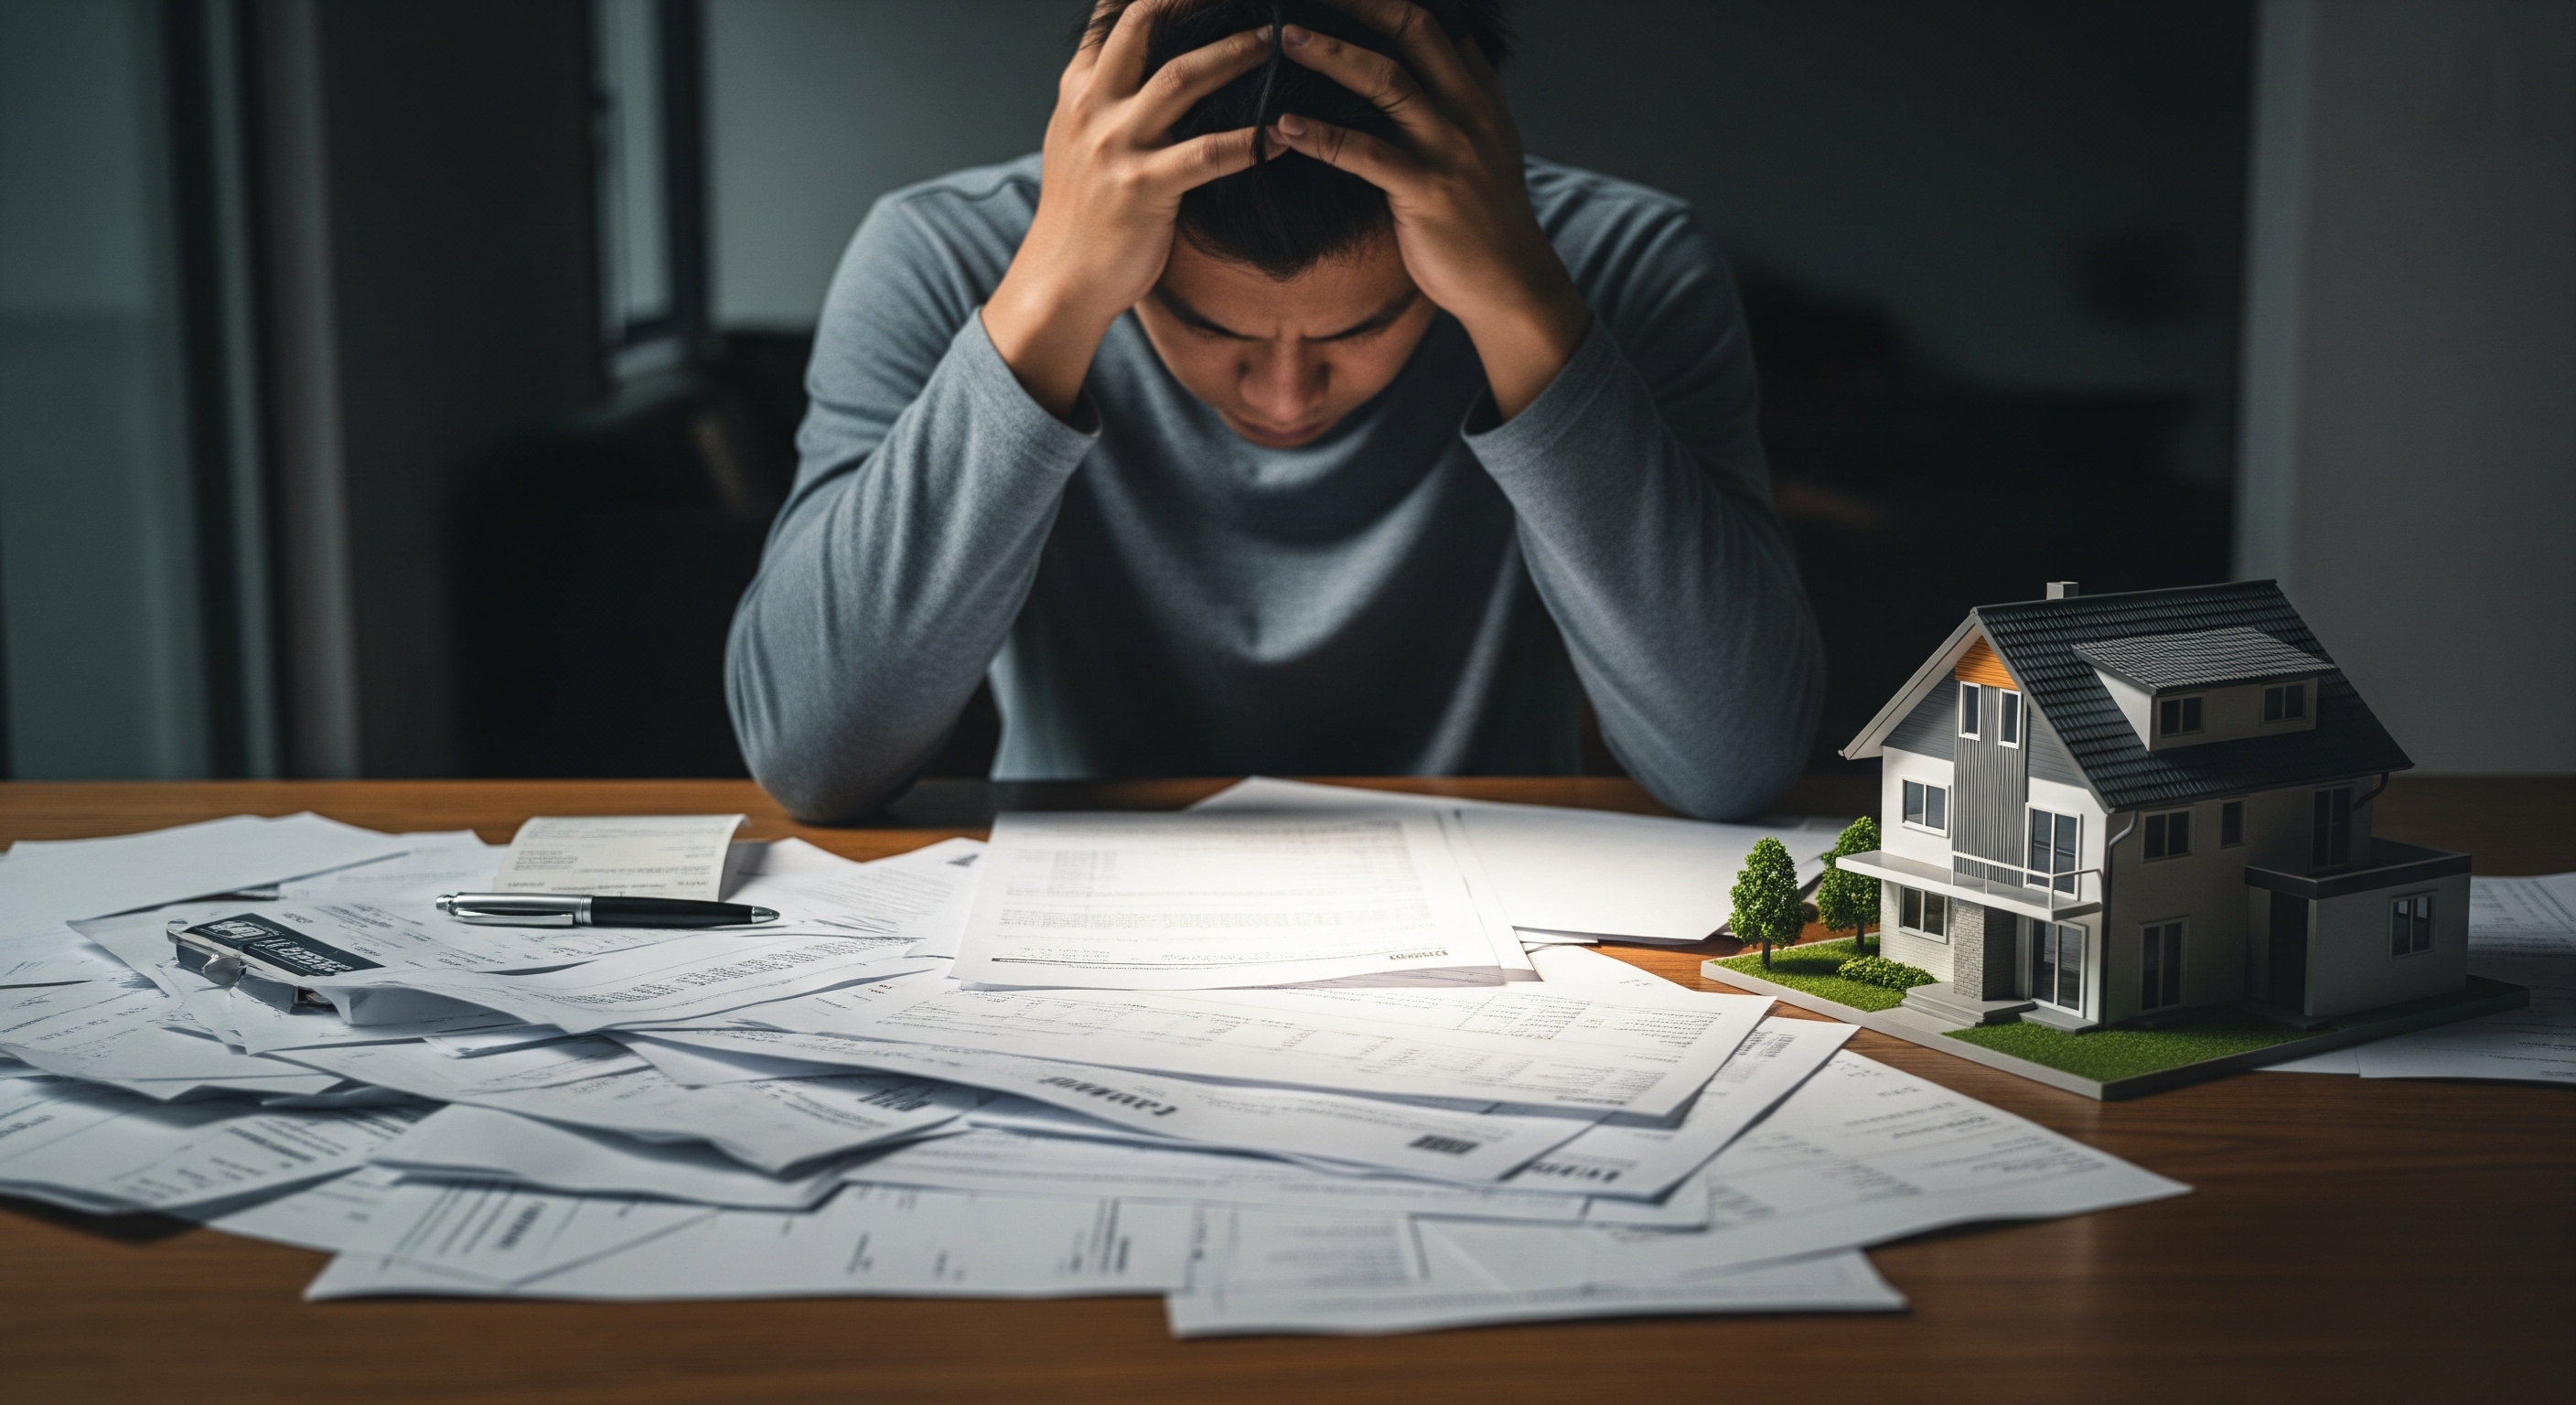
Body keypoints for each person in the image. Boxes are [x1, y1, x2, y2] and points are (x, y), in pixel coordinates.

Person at [726, 0, 1823, 821]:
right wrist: (1049, 303)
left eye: (1357, 329)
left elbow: (1733, 762)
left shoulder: (1617, 268)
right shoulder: (946, 259)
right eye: (1211, 331)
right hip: (1068, 921)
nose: (1289, 397)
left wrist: (1523, 308)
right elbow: (814, 757)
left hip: (1513, 920)